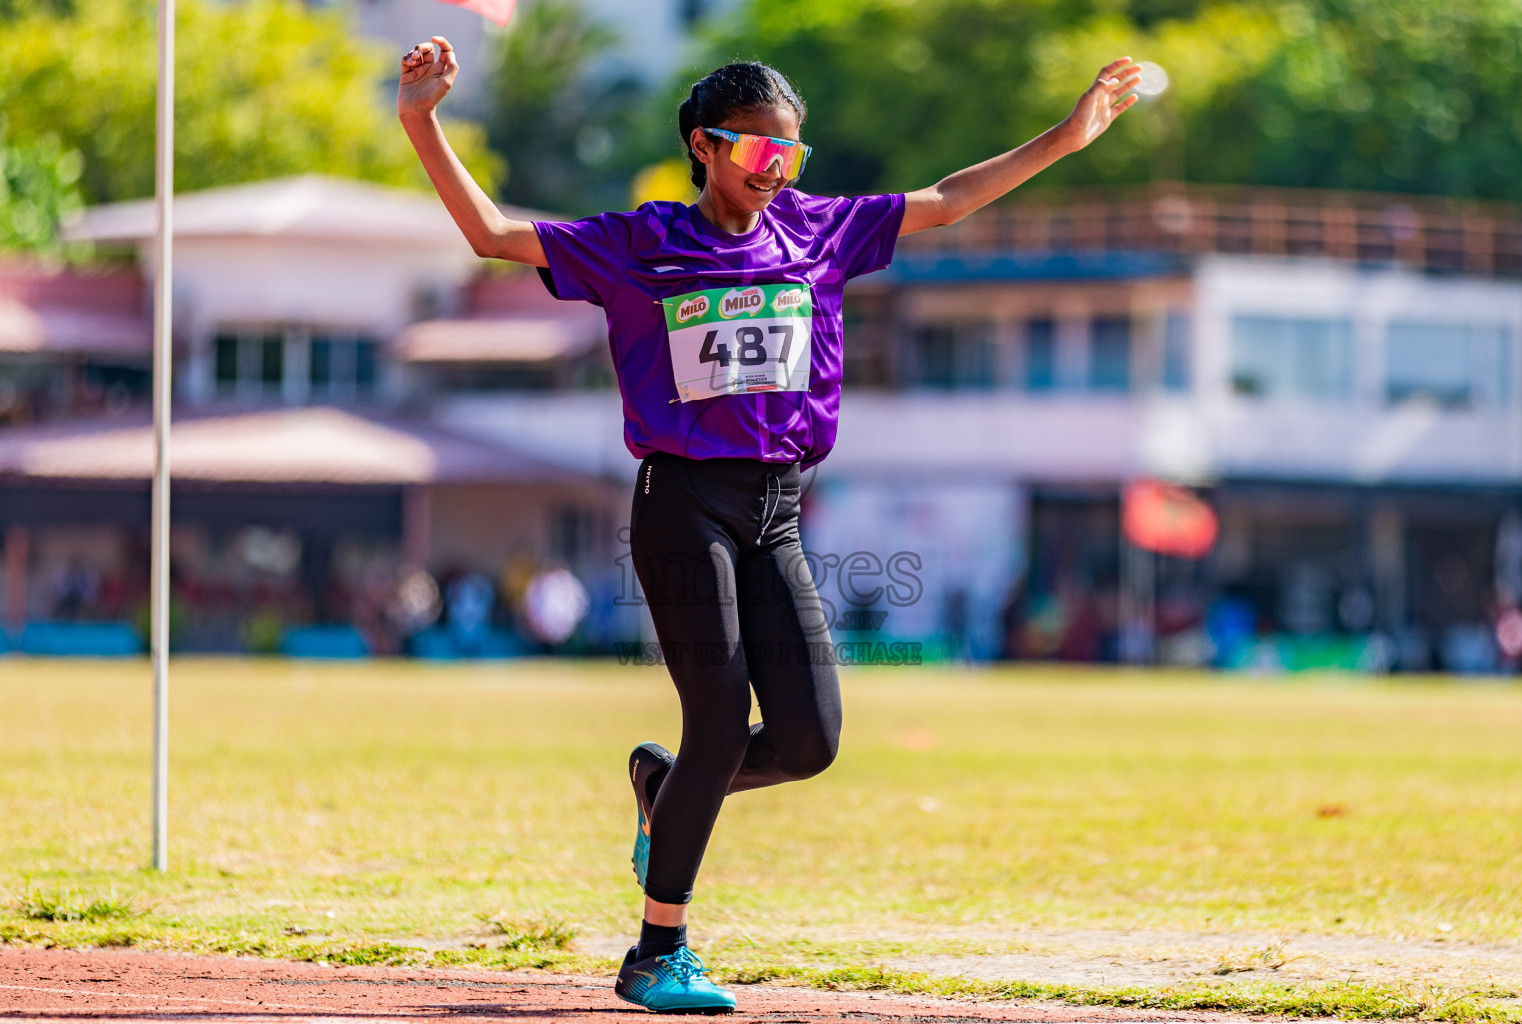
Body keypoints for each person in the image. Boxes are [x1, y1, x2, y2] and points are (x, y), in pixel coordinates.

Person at [399, 42, 1141, 1014]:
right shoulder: (642, 241)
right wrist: (422, 120)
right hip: (683, 502)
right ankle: (657, 950)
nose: (775, 168)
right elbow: (495, 234)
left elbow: (949, 198)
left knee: (809, 739)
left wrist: (1070, 135)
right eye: (755, 149)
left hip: (776, 508)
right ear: (704, 147)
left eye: (790, 152)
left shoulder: (818, 230)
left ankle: (663, 791)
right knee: (716, 716)